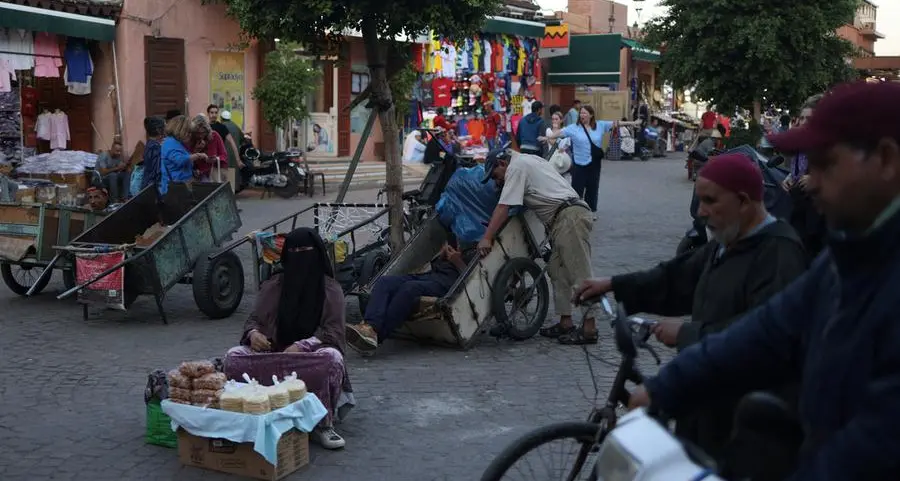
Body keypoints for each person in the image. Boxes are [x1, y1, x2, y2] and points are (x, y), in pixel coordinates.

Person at [598, 81, 900, 481]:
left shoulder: (807, 254)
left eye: (826, 164)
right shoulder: (847, 256)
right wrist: (668, 386)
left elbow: (872, 448)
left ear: (885, 159)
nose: (812, 181)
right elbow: (769, 329)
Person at [575, 152, 808, 459]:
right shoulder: (724, 245)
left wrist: (688, 334)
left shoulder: (779, 253)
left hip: (745, 424)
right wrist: (614, 284)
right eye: (699, 201)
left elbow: (763, 335)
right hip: (707, 402)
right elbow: (674, 278)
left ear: (743, 201)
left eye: (711, 201)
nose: (701, 212)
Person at [226, 228, 354, 450]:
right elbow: (253, 320)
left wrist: (302, 346)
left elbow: (334, 332)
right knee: (233, 357)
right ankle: (249, 417)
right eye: (293, 250)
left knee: (332, 359)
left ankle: (322, 424)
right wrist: (254, 334)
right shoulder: (274, 286)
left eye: (305, 250)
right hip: (272, 354)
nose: (299, 255)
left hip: (309, 357)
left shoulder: (330, 289)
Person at [478, 147, 597, 344]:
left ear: (502, 164)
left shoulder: (516, 167)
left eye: (495, 175)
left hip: (570, 217)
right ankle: (565, 322)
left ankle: (590, 328)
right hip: (563, 218)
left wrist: (487, 238)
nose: (496, 180)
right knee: (558, 271)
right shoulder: (527, 160)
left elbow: (503, 207)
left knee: (579, 272)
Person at [345, 239, 475, 354]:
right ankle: (370, 327)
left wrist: (457, 261)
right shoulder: (453, 234)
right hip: (432, 275)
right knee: (385, 282)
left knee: (409, 289)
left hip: (448, 283)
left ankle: (377, 335)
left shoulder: (475, 246)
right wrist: (441, 256)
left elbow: (471, 280)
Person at [541, 106, 639, 214]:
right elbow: (560, 132)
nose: (582, 115)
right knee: (577, 188)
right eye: (581, 113)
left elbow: (616, 123)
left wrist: (632, 123)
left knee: (592, 187)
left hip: (594, 163)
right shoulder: (574, 127)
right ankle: (577, 211)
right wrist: (548, 138)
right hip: (578, 163)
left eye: (585, 113)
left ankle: (591, 211)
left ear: (591, 115)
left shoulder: (600, 125)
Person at [783, 94, 826, 258]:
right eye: (801, 118)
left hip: (819, 219)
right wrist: (788, 179)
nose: (802, 123)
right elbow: (797, 170)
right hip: (798, 210)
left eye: (809, 119)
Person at [160, 115, 207, 196]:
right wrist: (198, 155)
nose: (189, 135)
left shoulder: (175, 142)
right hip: (177, 186)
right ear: (180, 130)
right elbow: (180, 160)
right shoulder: (170, 143)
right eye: (188, 132)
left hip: (181, 184)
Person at [207, 104, 243, 189]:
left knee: (225, 186)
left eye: (216, 113)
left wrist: (238, 160)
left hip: (220, 160)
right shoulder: (205, 127)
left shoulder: (222, 127)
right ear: (208, 113)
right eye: (212, 113)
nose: (214, 115)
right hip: (208, 161)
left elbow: (232, 142)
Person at [190, 115, 228, 182]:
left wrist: (215, 159)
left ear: (207, 130)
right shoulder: (192, 138)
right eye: (197, 133)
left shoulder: (214, 136)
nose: (200, 135)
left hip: (213, 174)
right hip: (197, 175)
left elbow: (224, 155)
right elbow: (187, 157)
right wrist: (196, 150)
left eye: (202, 133)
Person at [140, 116, 165, 193]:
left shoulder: (150, 144)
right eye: (164, 127)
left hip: (147, 183)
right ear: (158, 130)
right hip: (152, 187)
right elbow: (156, 171)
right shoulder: (155, 147)